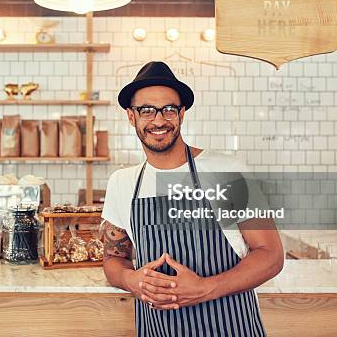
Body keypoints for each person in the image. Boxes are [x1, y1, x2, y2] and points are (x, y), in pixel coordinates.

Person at [102, 61, 284, 336]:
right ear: (131, 116)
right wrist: (131, 280)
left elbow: (271, 256)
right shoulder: (122, 182)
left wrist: (204, 289)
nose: (159, 120)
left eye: (169, 109)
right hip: (158, 330)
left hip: (231, 326)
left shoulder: (227, 170)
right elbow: (113, 259)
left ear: (182, 113)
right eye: (147, 110)